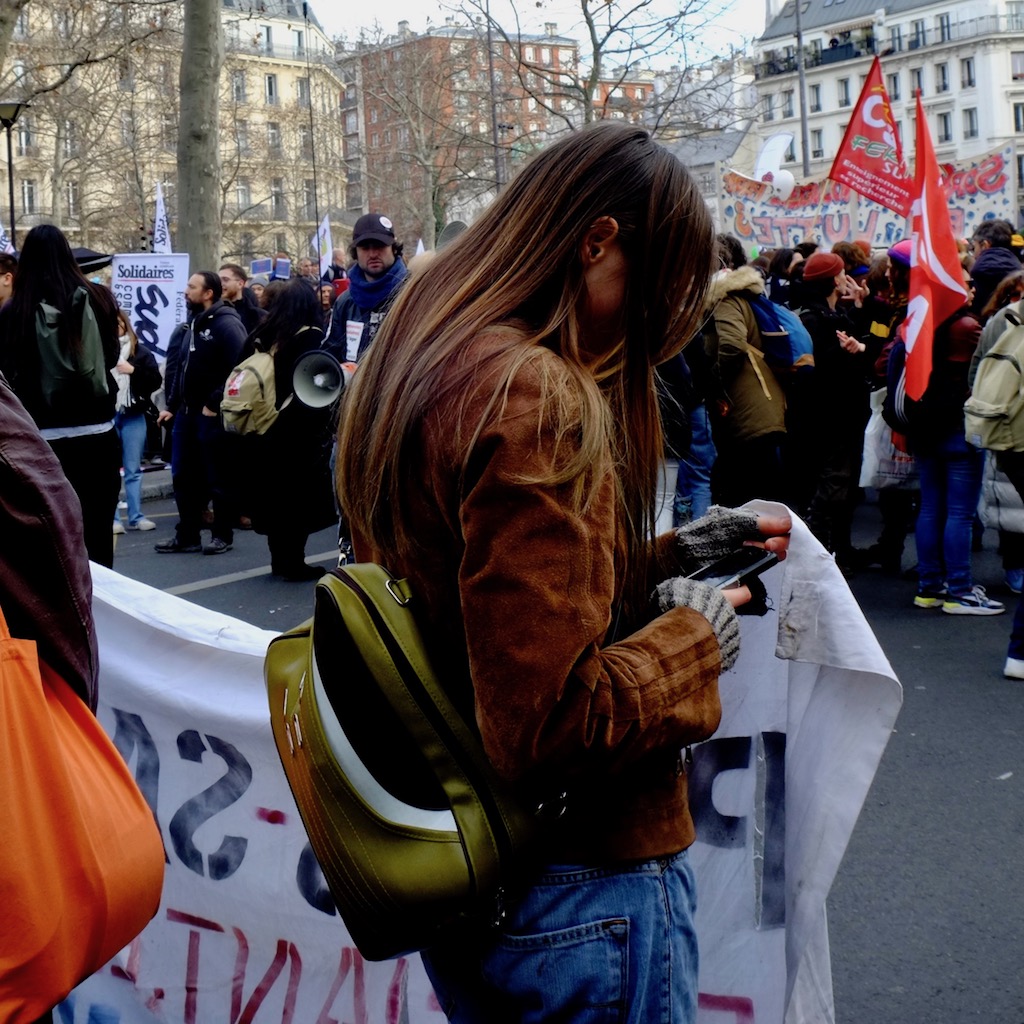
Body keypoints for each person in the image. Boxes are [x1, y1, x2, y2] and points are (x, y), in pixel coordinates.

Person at [337, 122, 791, 1024]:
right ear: (598, 242)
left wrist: (677, 554)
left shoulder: (425, 350)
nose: (656, 323)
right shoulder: (532, 389)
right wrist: (695, 635)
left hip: (479, 874)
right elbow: (553, 722)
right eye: (657, 287)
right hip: (582, 884)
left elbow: (489, 605)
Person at [0, 223, 121, 567]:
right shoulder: (99, 299)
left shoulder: (15, 311)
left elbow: (6, 375)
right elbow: (111, 358)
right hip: (98, 435)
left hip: (40, 443)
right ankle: (99, 611)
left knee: (48, 542)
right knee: (97, 534)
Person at [910, 270, 1003, 614]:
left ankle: (929, 587)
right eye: (964, 282)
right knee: (960, 514)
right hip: (958, 428)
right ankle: (960, 590)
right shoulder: (965, 327)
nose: (971, 287)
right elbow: (982, 373)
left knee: (932, 508)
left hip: (925, 427)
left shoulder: (919, 322)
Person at [235, 279, 336, 580]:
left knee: (273, 498)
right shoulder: (312, 338)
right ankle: (294, 562)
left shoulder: (261, 335)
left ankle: (279, 559)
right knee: (297, 500)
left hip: (261, 427)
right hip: (298, 433)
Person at [155, 271, 247, 555]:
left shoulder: (227, 324)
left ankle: (222, 535)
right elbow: (181, 369)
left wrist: (214, 401)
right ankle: (188, 535)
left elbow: (241, 366)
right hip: (185, 414)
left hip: (211, 416)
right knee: (183, 475)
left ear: (208, 293)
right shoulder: (191, 325)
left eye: (192, 287)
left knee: (217, 477)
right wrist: (170, 407)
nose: (186, 291)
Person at [796, 250, 872, 563]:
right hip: (833, 415)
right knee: (833, 485)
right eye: (840, 273)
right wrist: (849, 354)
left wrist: (860, 307)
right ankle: (821, 553)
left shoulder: (831, 314)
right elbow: (824, 369)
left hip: (843, 413)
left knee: (844, 484)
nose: (846, 278)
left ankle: (840, 548)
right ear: (831, 281)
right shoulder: (815, 320)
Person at [324, 212, 407, 363]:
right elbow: (331, 351)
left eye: (379, 245)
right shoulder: (345, 302)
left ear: (394, 248)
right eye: (364, 247)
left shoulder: (414, 294)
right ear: (355, 252)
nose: (373, 254)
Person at [111, 309, 161, 534]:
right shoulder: (100, 350)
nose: (116, 328)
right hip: (108, 416)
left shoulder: (140, 352)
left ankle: (136, 516)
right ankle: (113, 519)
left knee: (133, 469)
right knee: (110, 471)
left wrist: (133, 371)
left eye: (120, 324)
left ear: (126, 325)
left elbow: (155, 381)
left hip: (133, 415)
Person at [969, 219, 1021, 318]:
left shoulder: (977, 272)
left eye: (974, 247)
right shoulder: (1018, 269)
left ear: (985, 245)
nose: (974, 254)